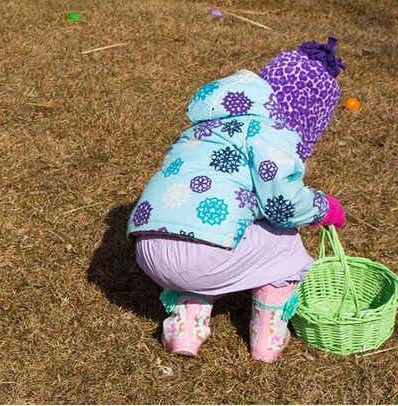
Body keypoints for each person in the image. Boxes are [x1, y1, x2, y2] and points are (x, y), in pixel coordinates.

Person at [127, 37, 347, 362]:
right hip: (201, 256)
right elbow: (282, 204)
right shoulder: (269, 132)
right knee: (285, 239)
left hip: (148, 250)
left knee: (210, 229)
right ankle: (267, 342)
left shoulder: (201, 130)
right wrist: (323, 207)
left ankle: (185, 328)